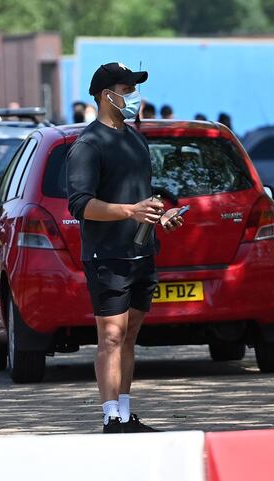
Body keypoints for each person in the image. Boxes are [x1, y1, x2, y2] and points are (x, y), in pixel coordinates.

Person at [65, 62, 184, 434]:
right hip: (108, 256)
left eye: (133, 89)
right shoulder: (88, 144)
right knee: (111, 336)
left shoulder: (135, 138)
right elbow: (81, 204)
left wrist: (159, 217)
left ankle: (126, 412)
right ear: (106, 95)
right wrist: (129, 211)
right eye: (126, 89)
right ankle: (110, 416)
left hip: (142, 252)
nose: (133, 96)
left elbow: (142, 197)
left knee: (130, 335)